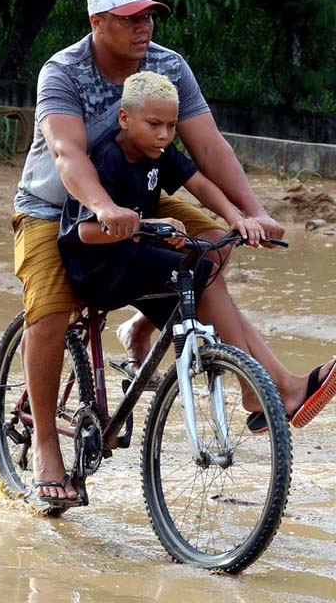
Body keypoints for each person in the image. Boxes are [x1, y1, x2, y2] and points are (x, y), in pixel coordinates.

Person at [12, 0, 323, 505]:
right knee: (51, 310)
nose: (144, 28)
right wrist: (103, 206)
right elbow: (68, 154)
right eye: (130, 19)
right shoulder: (63, 71)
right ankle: (46, 444)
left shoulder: (167, 65)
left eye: (149, 16)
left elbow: (205, 151)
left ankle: (251, 379)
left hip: (139, 196)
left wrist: (252, 212)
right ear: (97, 23)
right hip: (58, 205)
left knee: (212, 250)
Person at [57, 72, 336, 488]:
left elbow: (199, 183)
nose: (165, 135)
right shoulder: (108, 158)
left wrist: (239, 218)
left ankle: (259, 381)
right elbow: (85, 231)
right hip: (98, 268)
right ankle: (256, 385)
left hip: (134, 258)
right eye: (155, 125)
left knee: (207, 264)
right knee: (199, 274)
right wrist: (146, 224)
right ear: (125, 118)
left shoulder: (159, 153)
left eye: (171, 126)